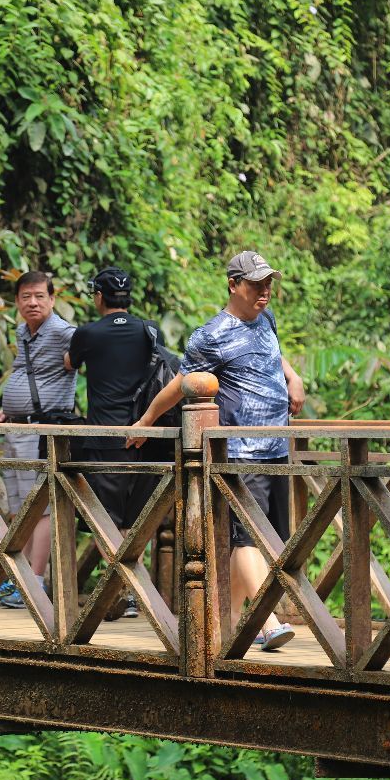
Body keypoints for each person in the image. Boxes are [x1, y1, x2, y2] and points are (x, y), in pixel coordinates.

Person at [131, 251, 306, 651]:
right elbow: (183, 383)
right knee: (246, 539)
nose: (265, 291)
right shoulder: (211, 335)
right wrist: (147, 419)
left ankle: (219, 627)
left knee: (269, 541)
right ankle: (267, 622)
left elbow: (274, 354)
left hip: (277, 447)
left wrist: (293, 377)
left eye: (268, 283)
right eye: (256, 284)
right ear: (233, 285)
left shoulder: (266, 320)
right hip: (241, 453)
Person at [66, 266, 166, 619]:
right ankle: (131, 593)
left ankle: (123, 589)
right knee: (135, 521)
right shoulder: (149, 331)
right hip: (145, 437)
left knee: (103, 520)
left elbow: (69, 363)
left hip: (104, 439)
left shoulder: (88, 333)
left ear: (99, 297)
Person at [0, 271, 77, 610]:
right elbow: (23, 371)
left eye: (40, 296)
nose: (33, 302)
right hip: (15, 427)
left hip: (40, 430)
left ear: (52, 299)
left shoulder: (63, 332)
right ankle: (18, 580)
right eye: (26, 296)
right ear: (17, 301)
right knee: (19, 508)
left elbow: (84, 361)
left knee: (39, 507)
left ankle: (35, 582)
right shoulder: (22, 332)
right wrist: (5, 407)